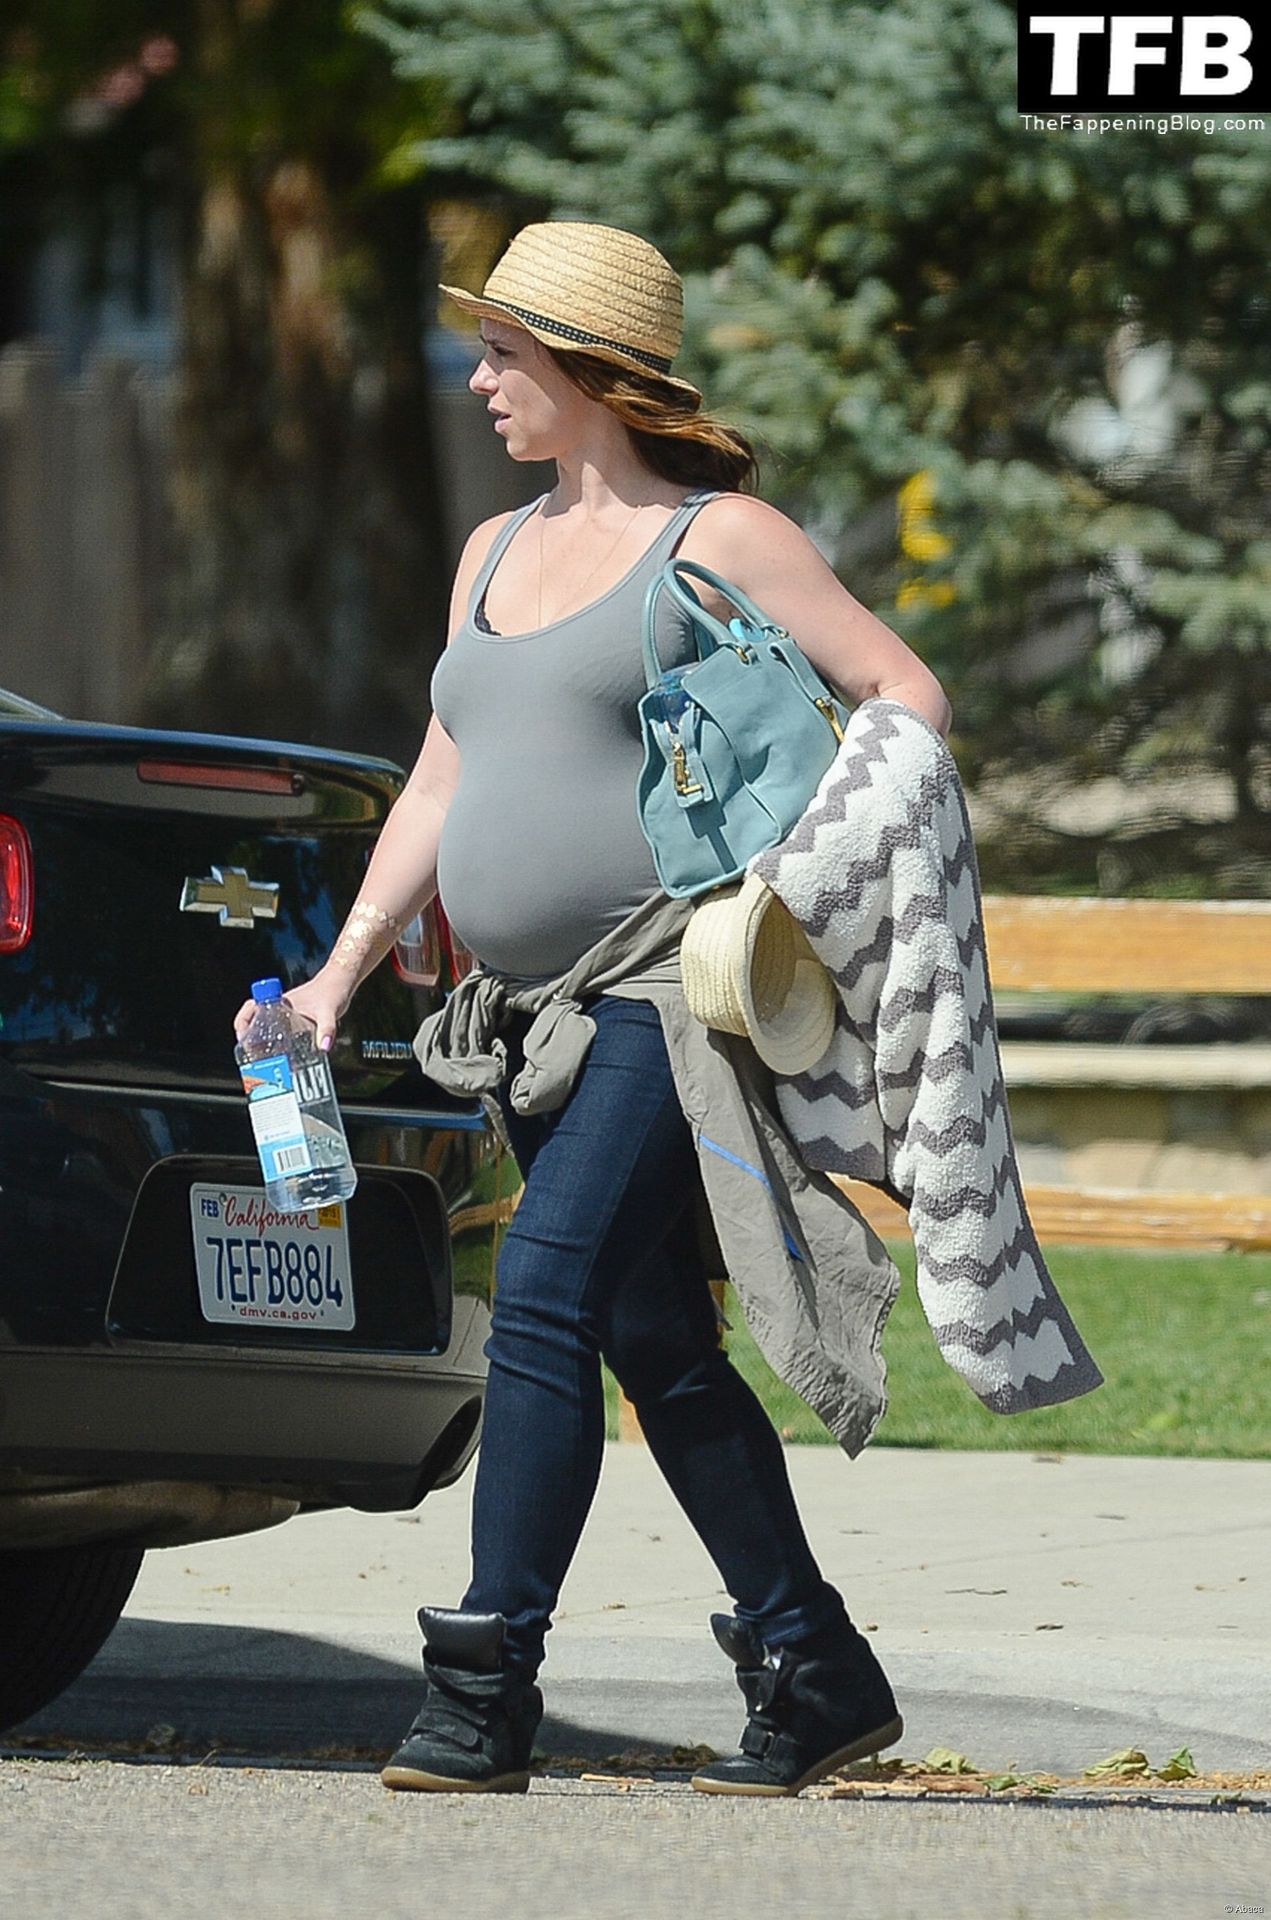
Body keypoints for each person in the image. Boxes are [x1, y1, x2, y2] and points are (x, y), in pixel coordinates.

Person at [236, 220, 953, 1798]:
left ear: (590, 372)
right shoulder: (490, 553)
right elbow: (445, 776)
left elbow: (902, 690)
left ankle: (485, 1681)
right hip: (526, 1015)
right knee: (654, 1341)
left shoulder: (719, 536)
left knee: (546, 1288)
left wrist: (814, 871)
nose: (479, 380)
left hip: (662, 990)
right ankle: (818, 1670)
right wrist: (338, 974)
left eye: (505, 354)